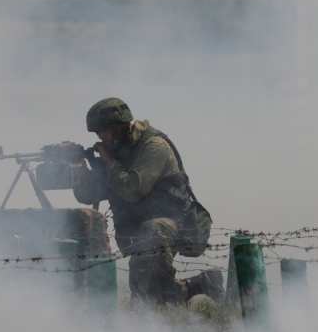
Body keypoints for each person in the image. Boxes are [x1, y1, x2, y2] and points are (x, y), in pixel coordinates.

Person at [72, 97, 224, 305]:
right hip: (140, 227)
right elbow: (89, 195)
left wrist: (108, 162)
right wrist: (78, 170)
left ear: (120, 125)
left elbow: (132, 189)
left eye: (104, 129)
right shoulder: (117, 152)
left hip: (173, 223)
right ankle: (199, 284)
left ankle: (167, 305)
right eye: (97, 132)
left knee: (150, 297)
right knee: (145, 295)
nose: (100, 136)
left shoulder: (154, 146)